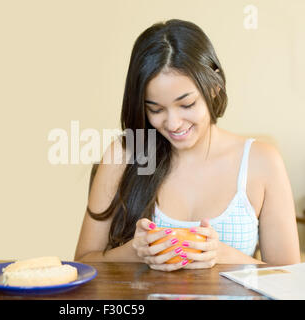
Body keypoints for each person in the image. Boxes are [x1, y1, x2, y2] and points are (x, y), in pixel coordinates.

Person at [74, 19, 301, 270]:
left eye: (186, 104)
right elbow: (82, 262)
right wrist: (134, 252)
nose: (173, 123)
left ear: (214, 88)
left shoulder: (262, 161)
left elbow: (288, 278)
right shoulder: (124, 155)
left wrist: (222, 255)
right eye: (156, 109)